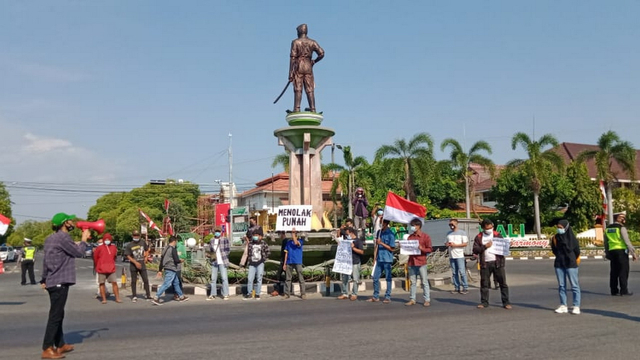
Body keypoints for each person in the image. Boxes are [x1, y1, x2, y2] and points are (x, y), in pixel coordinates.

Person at [40, 212, 88, 359]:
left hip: (52, 280)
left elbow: (45, 261)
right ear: (65, 223)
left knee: (59, 313)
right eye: (70, 221)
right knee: (55, 315)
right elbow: (78, 252)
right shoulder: (64, 237)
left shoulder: (50, 238)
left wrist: (43, 278)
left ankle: (60, 344)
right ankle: (47, 348)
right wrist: (84, 239)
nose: (73, 222)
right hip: (60, 281)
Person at [473, 219, 511, 309]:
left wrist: (508, 245)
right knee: (484, 284)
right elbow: (475, 250)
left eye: (491, 227)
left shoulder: (497, 235)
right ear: (483, 228)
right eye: (487, 228)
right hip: (485, 263)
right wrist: (485, 246)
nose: (489, 229)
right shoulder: (479, 237)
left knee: (503, 283)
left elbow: (503, 247)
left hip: (498, 263)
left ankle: (506, 302)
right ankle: (484, 302)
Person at [289, 23, 324, 112]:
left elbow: (293, 58)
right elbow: (322, 53)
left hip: (299, 66)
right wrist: (314, 61)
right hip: (308, 66)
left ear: (300, 31)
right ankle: (313, 108)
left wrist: (290, 73)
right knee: (310, 88)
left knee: (298, 87)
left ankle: (296, 108)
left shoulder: (295, 42)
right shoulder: (312, 42)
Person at [551, 220, 581, 314]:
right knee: (561, 285)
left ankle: (576, 306)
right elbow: (554, 250)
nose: (559, 229)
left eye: (561, 228)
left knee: (574, 286)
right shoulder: (555, 238)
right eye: (558, 227)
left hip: (571, 263)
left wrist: (571, 258)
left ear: (566, 228)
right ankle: (563, 305)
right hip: (559, 263)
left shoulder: (572, 239)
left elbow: (577, 251)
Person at [605, 212, 637, 296]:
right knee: (623, 271)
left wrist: (607, 252)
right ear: (617, 218)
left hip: (612, 251)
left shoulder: (608, 228)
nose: (624, 219)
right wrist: (633, 253)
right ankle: (624, 290)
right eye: (622, 217)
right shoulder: (621, 228)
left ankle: (614, 290)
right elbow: (627, 241)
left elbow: (606, 242)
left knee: (614, 272)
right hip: (621, 251)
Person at [152, 236, 188, 305]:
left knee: (176, 282)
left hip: (167, 268)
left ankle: (181, 296)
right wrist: (181, 260)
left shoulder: (165, 248)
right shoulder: (173, 249)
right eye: (176, 242)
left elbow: (162, 259)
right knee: (166, 284)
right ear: (174, 242)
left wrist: (160, 270)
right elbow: (176, 260)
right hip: (171, 268)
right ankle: (156, 297)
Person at [405, 218, 433, 307]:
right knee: (412, 282)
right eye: (412, 226)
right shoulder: (410, 237)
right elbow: (407, 248)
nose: (412, 227)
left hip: (421, 261)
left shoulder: (425, 237)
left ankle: (427, 299)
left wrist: (422, 249)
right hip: (411, 262)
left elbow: (430, 249)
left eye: (414, 225)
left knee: (424, 282)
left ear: (418, 226)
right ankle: (412, 299)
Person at [367, 220, 396, 304]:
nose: (380, 225)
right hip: (379, 259)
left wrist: (382, 243)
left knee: (388, 278)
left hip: (387, 259)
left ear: (386, 224)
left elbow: (392, 248)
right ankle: (376, 296)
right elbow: (376, 246)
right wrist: (374, 258)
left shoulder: (390, 234)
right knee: (375, 277)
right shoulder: (379, 232)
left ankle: (388, 296)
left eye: (382, 223)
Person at [92, 233, 121, 304]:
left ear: (111, 240)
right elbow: (95, 258)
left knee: (114, 283)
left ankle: (117, 298)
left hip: (111, 268)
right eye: (106, 239)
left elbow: (114, 257)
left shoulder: (114, 247)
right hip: (101, 269)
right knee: (101, 283)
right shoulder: (99, 248)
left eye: (108, 239)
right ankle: (104, 299)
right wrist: (97, 266)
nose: (107, 240)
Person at [337, 227, 364, 301]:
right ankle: (345, 293)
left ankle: (354, 294)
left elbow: (361, 252)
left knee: (355, 279)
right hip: (347, 262)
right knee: (344, 278)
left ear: (351, 233)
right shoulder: (346, 241)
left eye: (348, 233)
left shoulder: (358, 241)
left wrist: (353, 248)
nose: (347, 235)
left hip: (355, 262)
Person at [125, 230, 151, 302]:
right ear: (132, 236)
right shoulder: (130, 245)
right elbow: (128, 255)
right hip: (133, 265)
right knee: (133, 281)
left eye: (137, 235)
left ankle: (148, 295)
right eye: (135, 235)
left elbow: (147, 249)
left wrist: (146, 257)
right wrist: (135, 263)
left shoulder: (142, 242)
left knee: (145, 279)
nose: (136, 237)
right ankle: (134, 296)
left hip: (142, 264)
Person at [244, 232, 270, 300]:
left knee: (259, 279)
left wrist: (263, 259)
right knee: (250, 279)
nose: (255, 236)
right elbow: (248, 253)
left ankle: (257, 294)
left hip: (260, 263)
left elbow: (268, 252)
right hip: (252, 264)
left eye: (256, 235)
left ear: (259, 236)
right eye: (254, 235)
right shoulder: (250, 243)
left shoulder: (263, 243)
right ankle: (249, 293)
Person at [207, 227, 231, 300]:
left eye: (218, 231)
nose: (217, 233)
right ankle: (213, 294)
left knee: (224, 278)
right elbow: (211, 250)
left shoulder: (224, 239)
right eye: (216, 231)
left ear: (221, 232)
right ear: (214, 232)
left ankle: (225, 294)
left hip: (222, 261)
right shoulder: (212, 240)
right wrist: (211, 255)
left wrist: (224, 255)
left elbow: (228, 249)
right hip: (214, 261)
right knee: (213, 279)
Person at [446, 219, 469, 294]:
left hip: (459, 255)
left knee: (462, 272)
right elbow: (445, 242)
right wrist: (447, 244)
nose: (451, 226)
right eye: (450, 224)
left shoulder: (462, 233)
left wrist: (455, 245)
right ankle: (457, 287)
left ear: (456, 224)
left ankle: (465, 287)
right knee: (454, 272)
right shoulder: (448, 233)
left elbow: (465, 244)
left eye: (452, 224)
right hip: (451, 255)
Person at [283, 228, 306, 299]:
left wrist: (293, 234)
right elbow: (286, 253)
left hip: (297, 261)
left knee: (300, 278)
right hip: (289, 261)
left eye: (294, 233)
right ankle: (287, 293)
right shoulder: (288, 242)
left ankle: (303, 293)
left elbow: (296, 243)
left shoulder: (300, 241)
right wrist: (284, 263)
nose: (292, 235)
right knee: (288, 279)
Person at [271, 231, 288, 296]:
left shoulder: (286, 241)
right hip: (282, 261)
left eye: (279, 234)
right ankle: (278, 290)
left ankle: (285, 291)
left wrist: (285, 263)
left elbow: (286, 253)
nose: (279, 235)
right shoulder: (284, 241)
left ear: (283, 234)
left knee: (286, 277)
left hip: (285, 261)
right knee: (278, 276)